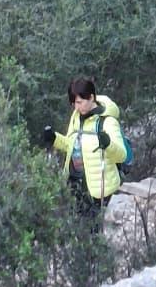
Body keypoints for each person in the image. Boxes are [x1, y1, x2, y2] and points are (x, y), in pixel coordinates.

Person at [42, 75, 127, 219]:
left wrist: (108, 144)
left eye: (80, 102)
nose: (76, 107)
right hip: (75, 185)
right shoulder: (76, 117)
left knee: (95, 232)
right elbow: (71, 144)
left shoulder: (107, 122)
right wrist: (54, 138)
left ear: (91, 98)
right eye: (74, 103)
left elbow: (121, 155)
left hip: (98, 190)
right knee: (77, 228)